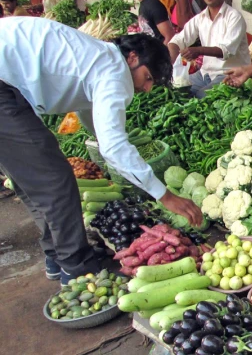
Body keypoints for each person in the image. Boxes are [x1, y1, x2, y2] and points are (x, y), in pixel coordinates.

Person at [0, 17, 203, 284]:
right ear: (132, 58)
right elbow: (114, 145)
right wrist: (163, 195)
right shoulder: (113, 71)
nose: (146, 88)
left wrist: (109, 145)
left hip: (8, 80)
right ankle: (77, 269)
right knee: (56, 180)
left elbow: (89, 112)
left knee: (36, 180)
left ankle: (58, 256)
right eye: (148, 78)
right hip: (4, 85)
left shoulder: (98, 58)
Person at [169, 0, 251, 98]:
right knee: (177, 93)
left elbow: (225, 51)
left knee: (201, 98)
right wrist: (173, 62)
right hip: (205, 73)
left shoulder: (234, 17)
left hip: (229, 73)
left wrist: (198, 50)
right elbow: (178, 40)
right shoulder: (200, 18)